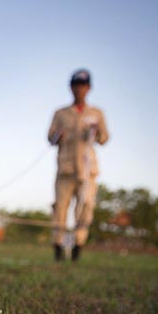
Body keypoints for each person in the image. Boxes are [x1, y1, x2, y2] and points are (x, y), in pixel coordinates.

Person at [48, 69, 109, 261]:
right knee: (60, 209)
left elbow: (105, 138)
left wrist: (98, 131)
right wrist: (59, 135)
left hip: (88, 170)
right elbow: (50, 137)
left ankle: (77, 247)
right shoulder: (60, 113)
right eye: (75, 85)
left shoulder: (97, 113)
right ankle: (58, 248)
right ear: (71, 88)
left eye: (82, 86)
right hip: (65, 169)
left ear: (88, 88)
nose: (79, 89)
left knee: (85, 207)